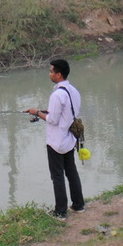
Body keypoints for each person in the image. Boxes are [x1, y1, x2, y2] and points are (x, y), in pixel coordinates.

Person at [26, 59, 85, 219]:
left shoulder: (57, 94)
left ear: (59, 74)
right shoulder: (73, 91)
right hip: (69, 139)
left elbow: (53, 120)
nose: (49, 74)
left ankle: (60, 212)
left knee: (57, 176)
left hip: (56, 142)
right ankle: (78, 205)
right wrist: (43, 111)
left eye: (51, 71)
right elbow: (67, 113)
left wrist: (36, 112)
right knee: (71, 172)